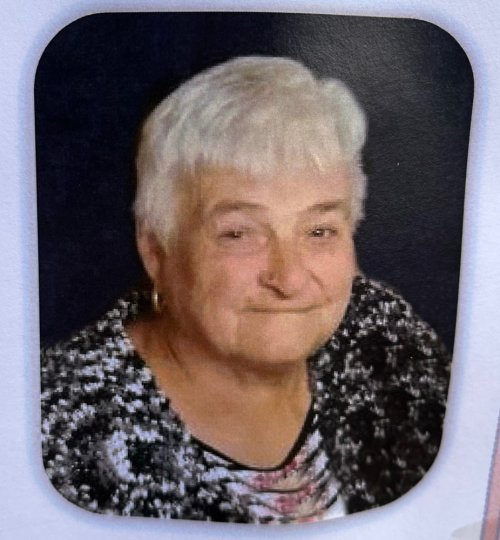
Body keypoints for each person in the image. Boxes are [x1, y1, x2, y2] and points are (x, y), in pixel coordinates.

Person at [41, 56, 450, 524]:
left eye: (319, 231)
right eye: (239, 233)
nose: (289, 279)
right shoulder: (57, 430)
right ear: (156, 251)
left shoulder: (382, 331)